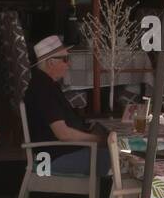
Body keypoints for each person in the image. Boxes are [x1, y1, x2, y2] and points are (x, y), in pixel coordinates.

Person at [24, 34, 106, 175]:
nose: (69, 64)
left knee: (117, 155)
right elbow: (63, 134)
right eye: (65, 59)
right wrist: (98, 140)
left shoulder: (45, 84)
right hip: (55, 158)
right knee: (122, 159)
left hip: (61, 152)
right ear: (50, 62)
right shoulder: (43, 89)